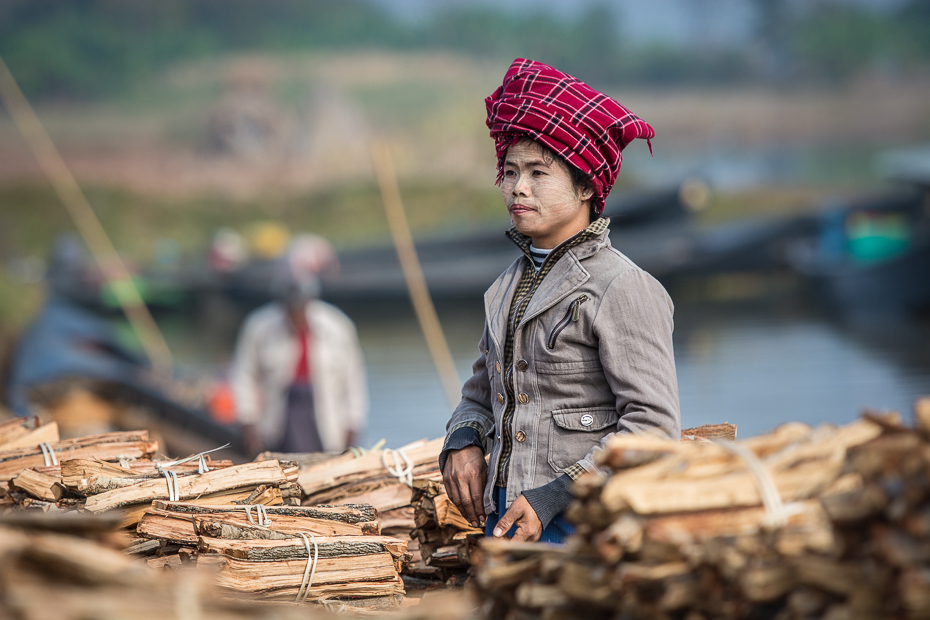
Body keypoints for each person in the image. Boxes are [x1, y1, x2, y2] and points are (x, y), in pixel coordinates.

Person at [440, 59, 680, 544]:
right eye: (509, 172)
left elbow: (653, 428)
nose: (517, 188)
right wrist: (462, 440)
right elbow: (479, 395)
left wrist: (557, 496)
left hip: (585, 528)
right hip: (507, 522)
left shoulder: (621, 287)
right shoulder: (507, 286)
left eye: (537, 173)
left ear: (588, 184)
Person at [231, 237, 367, 456]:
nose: (296, 312)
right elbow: (244, 375)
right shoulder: (259, 327)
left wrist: (353, 425)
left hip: (326, 423)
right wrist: (248, 422)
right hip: (279, 423)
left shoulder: (337, 327)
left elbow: (353, 381)